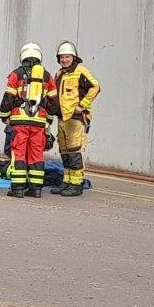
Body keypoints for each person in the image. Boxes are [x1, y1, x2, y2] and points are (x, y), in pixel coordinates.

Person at [0, 42, 59, 198]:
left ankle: (18, 188)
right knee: (36, 154)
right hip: (39, 122)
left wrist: (4, 115)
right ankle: (35, 189)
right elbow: (54, 103)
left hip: (19, 121)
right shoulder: (47, 76)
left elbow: (8, 98)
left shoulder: (16, 74)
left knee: (19, 153)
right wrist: (48, 120)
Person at [53, 41, 101, 196]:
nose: (64, 60)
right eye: (62, 57)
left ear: (73, 57)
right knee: (64, 151)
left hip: (75, 118)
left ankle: (76, 184)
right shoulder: (59, 74)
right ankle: (67, 181)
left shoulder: (80, 71)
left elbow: (95, 87)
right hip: (62, 118)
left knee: (74, 151)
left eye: (67, 57)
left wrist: (82, 105)